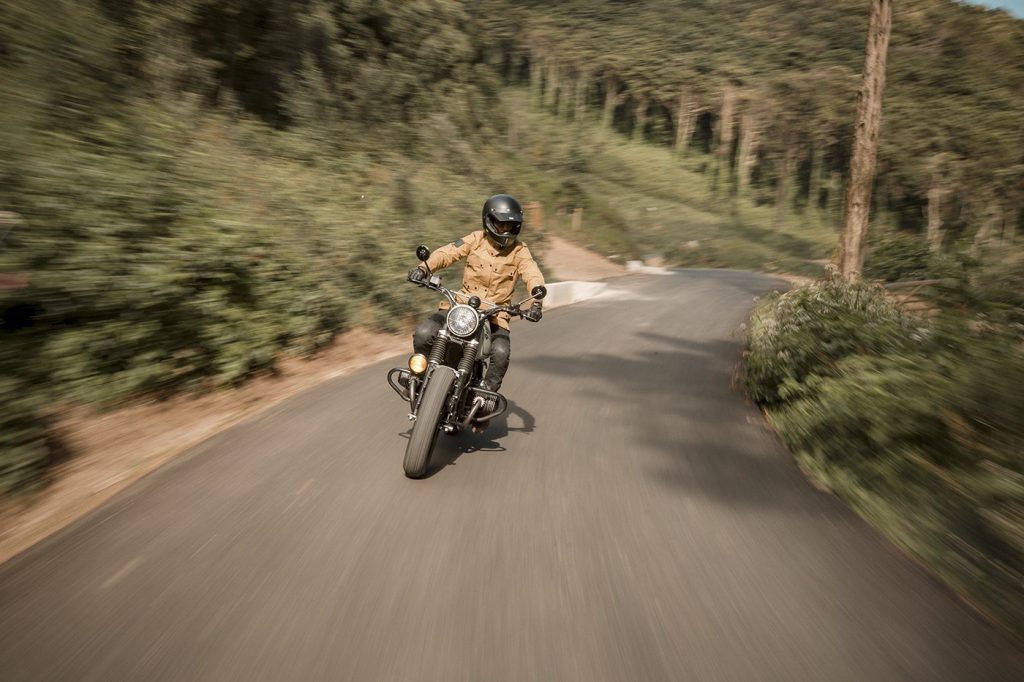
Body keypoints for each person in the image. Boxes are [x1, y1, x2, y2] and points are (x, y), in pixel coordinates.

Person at [408, 194, 546, 422]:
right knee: (424, 332)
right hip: (462, 307)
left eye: (511, 225)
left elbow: (532, 274)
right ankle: (420, 377)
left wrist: (536, 302)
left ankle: (483, 400)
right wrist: (424, 268)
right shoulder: (476, 239)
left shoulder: (520, 251)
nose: (506, 229)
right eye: (501, 224)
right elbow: (448, 253)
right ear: (489, 221)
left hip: (495, 315)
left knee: (500, 354)